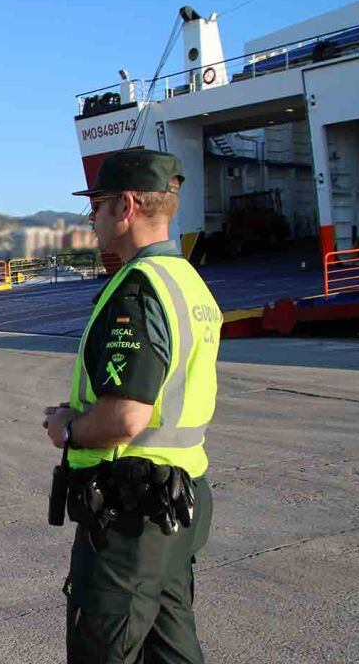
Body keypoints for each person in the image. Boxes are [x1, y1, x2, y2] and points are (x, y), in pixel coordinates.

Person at [43, 149, 222, 663]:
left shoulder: (137, 291)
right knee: (170, 647)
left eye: (95, 206)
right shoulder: (188, 283)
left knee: (104, 648)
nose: (91, 220)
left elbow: (126, 417)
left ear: (124, 206)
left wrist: (68, 429)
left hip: (132, 513)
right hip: (180, 497)